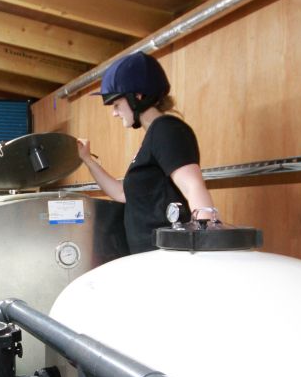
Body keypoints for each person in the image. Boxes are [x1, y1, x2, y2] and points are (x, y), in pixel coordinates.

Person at [77, 50, 217, 254]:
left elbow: (192, 186)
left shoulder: (167, 130)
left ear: (138, 96)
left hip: (165, 256)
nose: (114, 113)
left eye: (116, 104)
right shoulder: (153, 136)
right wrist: (87, 159)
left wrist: (207, 245)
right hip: (149, 255)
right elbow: (122, 194)